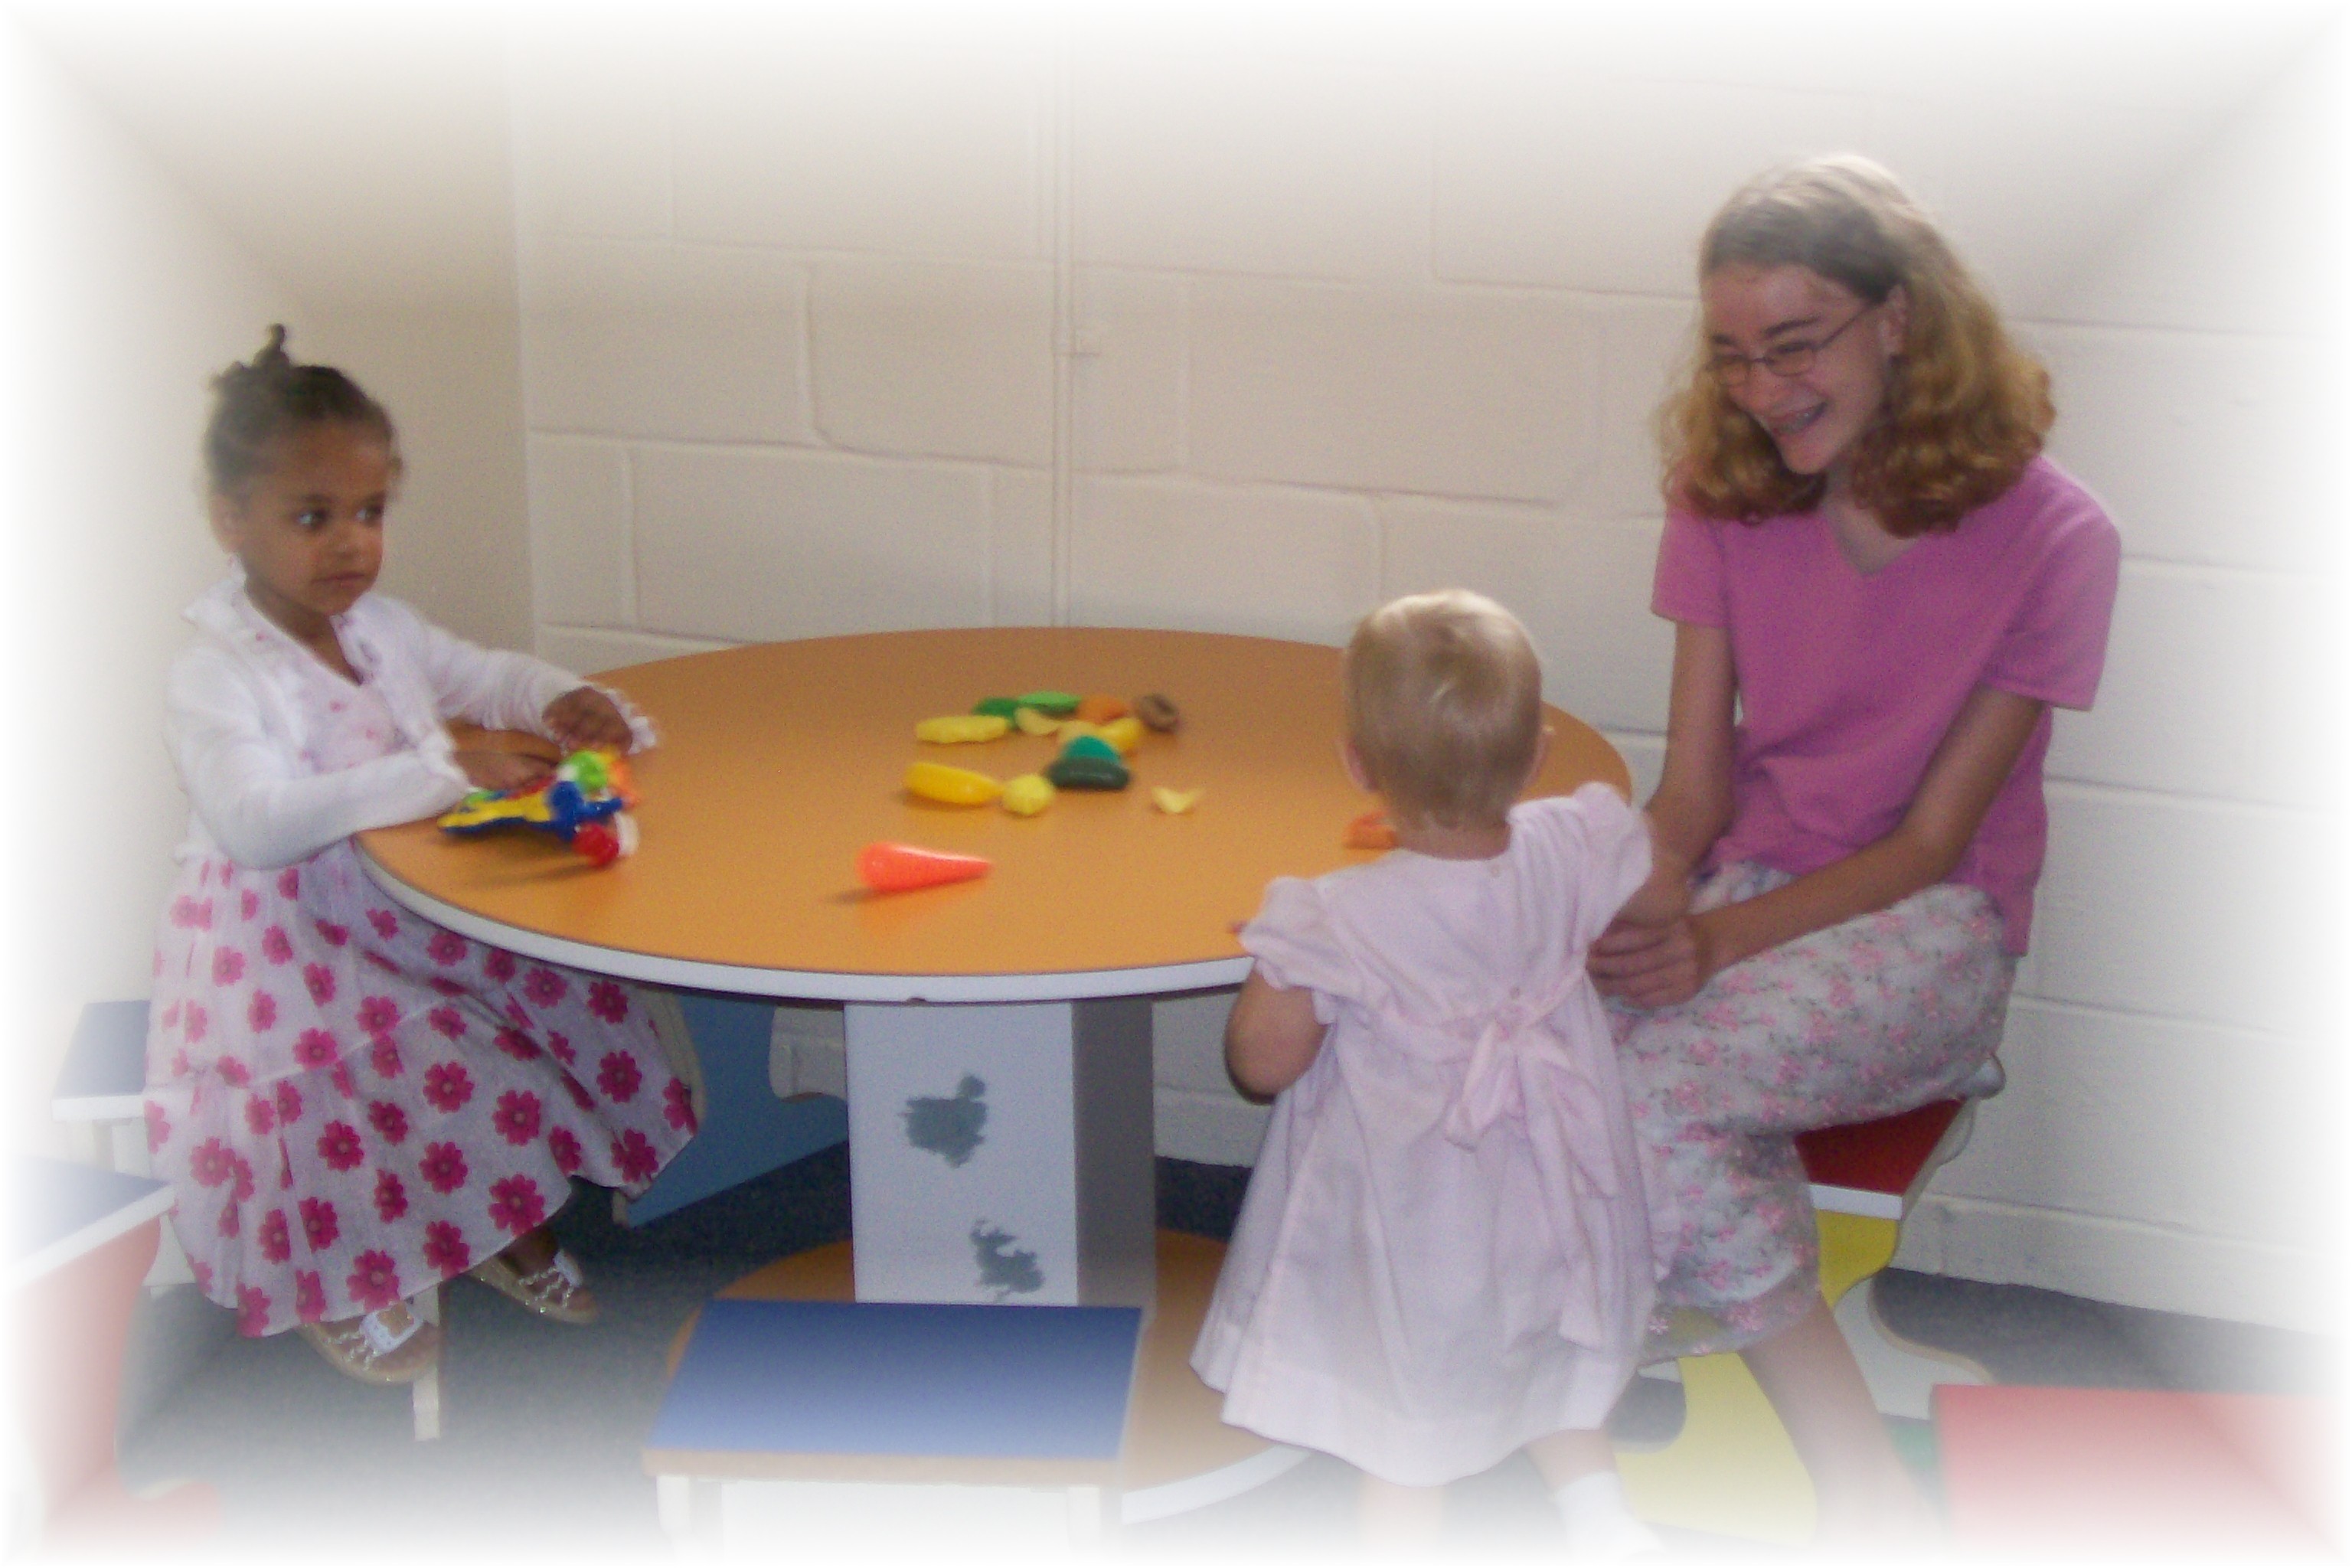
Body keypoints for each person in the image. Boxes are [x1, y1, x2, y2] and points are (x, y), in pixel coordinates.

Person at [1590, 155, 2120, 1540]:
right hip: (1751, 880)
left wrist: (1711, 940)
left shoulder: (2058, 536)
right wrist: (1641, 895)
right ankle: (1594, 1361)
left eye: (1795, 344)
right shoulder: (1719, 493)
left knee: (1652, 1098)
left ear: (1897, 318)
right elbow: (1693, 787)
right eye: (1732, 354)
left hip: (1930, 924)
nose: (1761, 389)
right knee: (1532, 1039)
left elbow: (1932, 839)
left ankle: (1849, 1478)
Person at [145, 328, 699, 1387]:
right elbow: (258, 824)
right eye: (313, 517)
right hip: (279, 948)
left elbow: (480, 673)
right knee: (403, 1071)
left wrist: (558, 697)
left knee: (547, 991)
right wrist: (445, 769)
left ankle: (490, 1222)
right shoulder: (216, 672)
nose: (350, 544)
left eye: (368, 513)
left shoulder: (379, 627)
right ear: (231, 520)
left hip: (394, 901)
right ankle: (341, 1273)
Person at [1195, 590, 1674, 1556]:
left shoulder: (1336, 916)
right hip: (1555, 1183)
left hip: (1423, 1211)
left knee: (1409, 1402)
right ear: (1535, 756)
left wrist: (1277, 969)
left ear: (1358, 765)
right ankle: (1603, 1521)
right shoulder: (1569, 843)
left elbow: (1263, 1063)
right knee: (1555, 1338)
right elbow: (1659, 891)